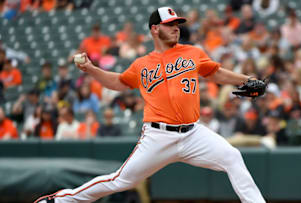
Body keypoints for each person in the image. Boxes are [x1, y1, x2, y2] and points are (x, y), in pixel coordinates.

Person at [35, 7, 265, 203]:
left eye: (177, 23)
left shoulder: (193, 53)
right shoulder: (142, 64)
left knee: (232, 157)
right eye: (169, 24)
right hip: (158, 136)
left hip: (194, 133)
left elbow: (216, 73)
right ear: (155, 29)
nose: (176, 27)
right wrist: (93, 70)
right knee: (121, 180)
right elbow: (118, 82)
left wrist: (245, 79)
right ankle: (60, 200)